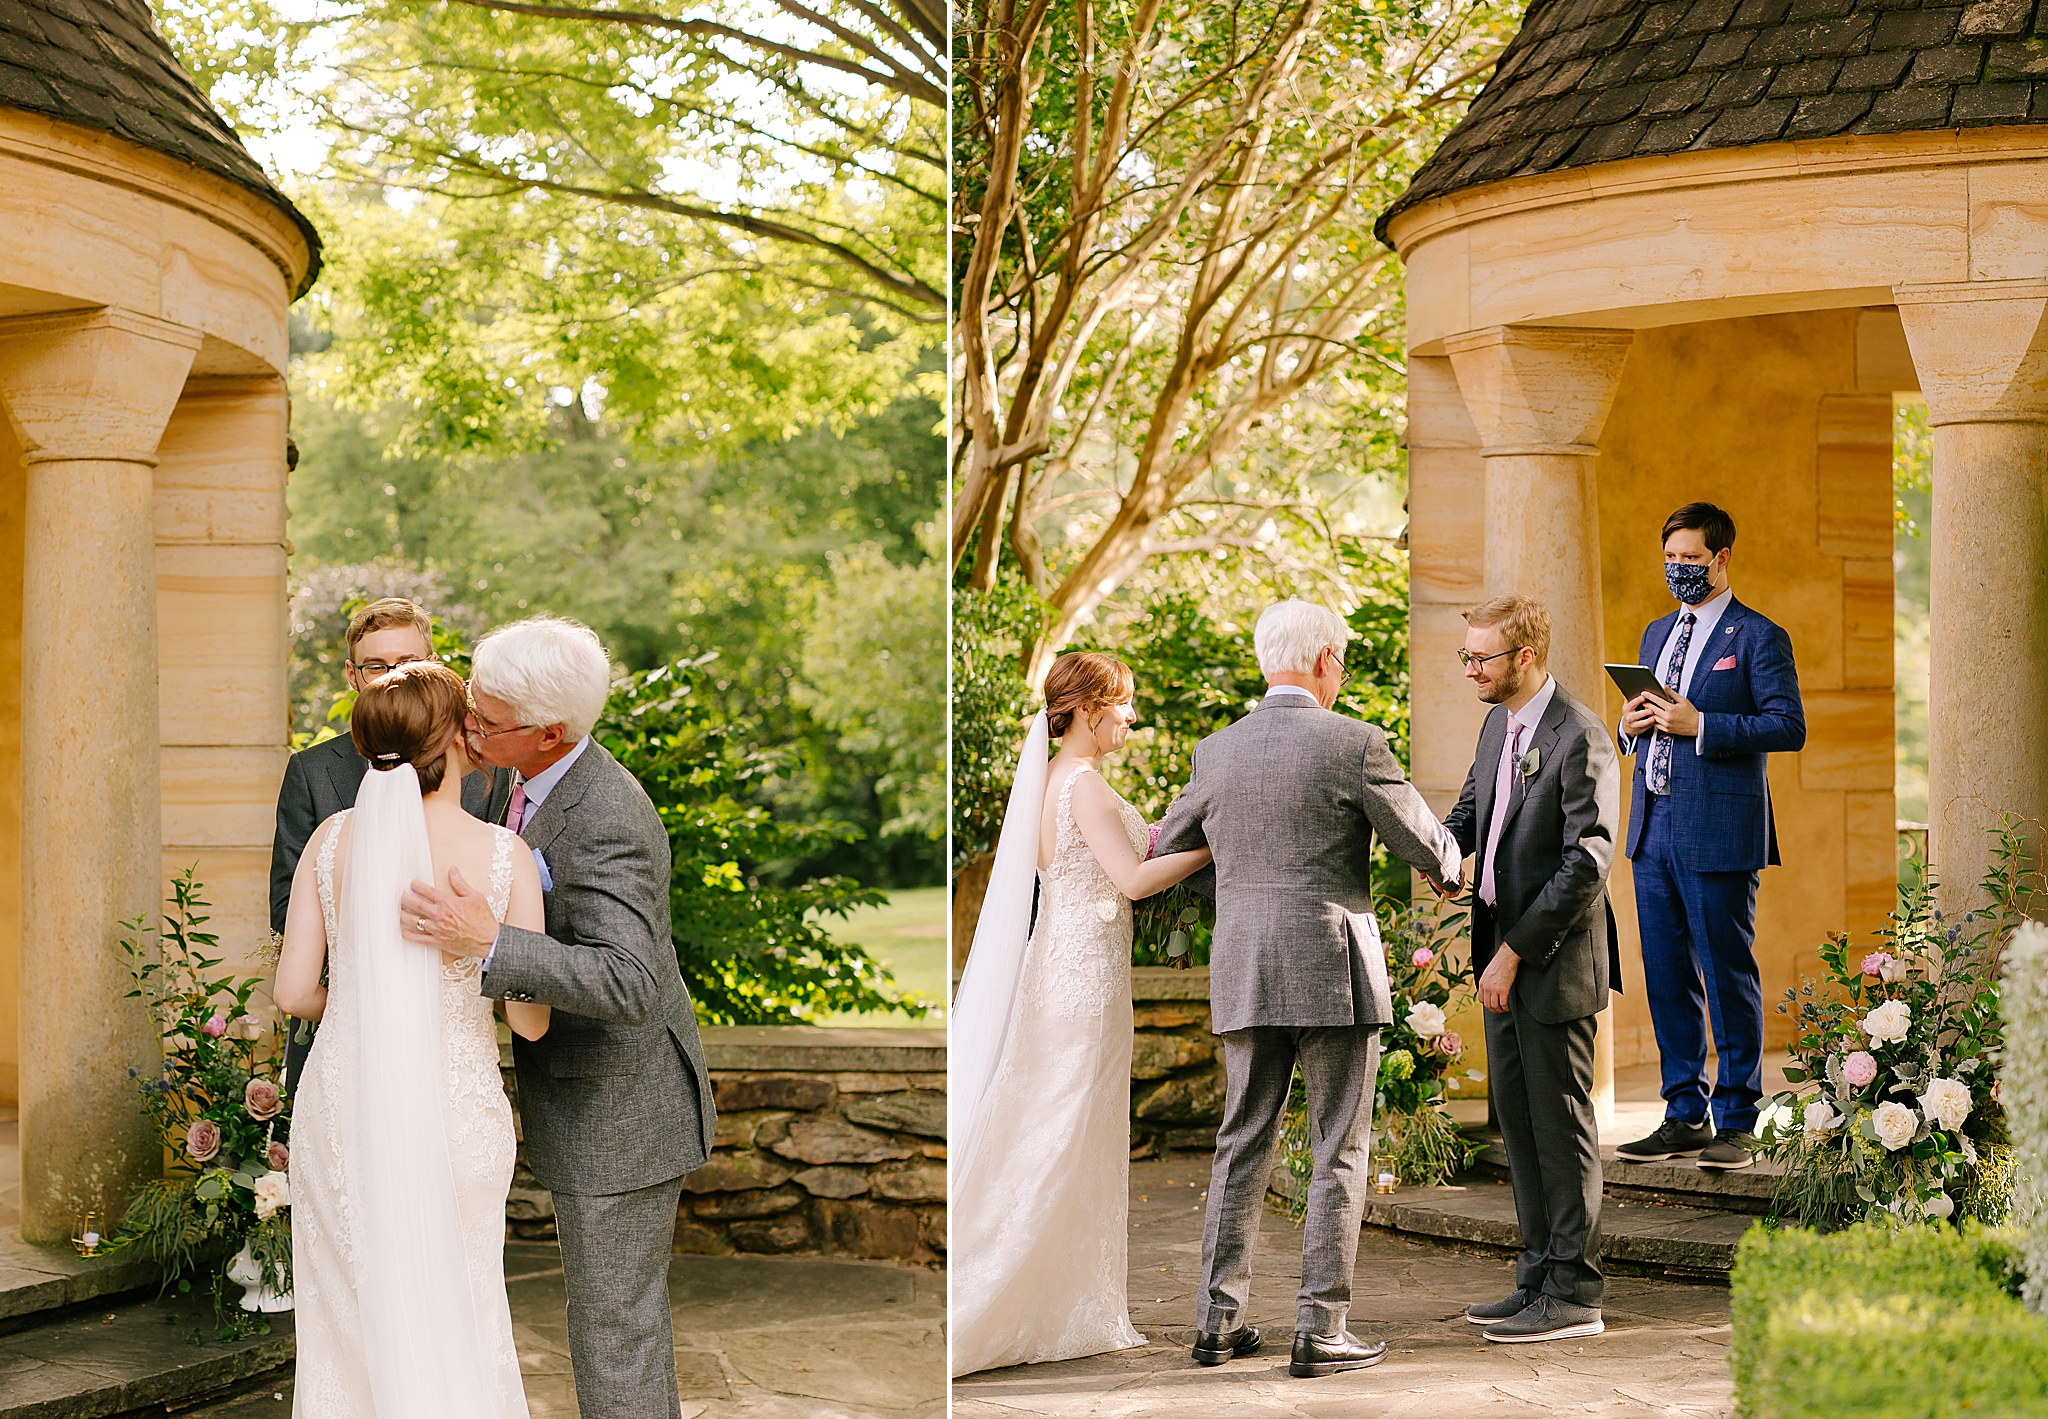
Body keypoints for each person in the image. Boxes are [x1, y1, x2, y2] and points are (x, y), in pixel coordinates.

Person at [399, 615, 714, 1419]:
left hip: (623, 1110)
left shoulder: (609, 815)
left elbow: (631, 978)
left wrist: (490, 940)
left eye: (485, 718)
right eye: (470, 702)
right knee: (614, 1327)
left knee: (615, 1334)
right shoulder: (521, 772)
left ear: (551, 731)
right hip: (581, 1096)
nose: (469, 725)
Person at [1152, 600, 1462, 1379]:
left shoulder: (1213, 752)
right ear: (1325, 660)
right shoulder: (1355, 742)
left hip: (1246, 964)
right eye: (1345, 659)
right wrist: (1451, 862)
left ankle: (1217, 1323)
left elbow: (1168, 842)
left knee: (1239, 1144)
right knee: (1339, 1149)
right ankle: (1320, 1327)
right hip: (1334, 968)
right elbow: (1424, 843)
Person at [276, 661, 549, 1416]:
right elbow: (529, 1018)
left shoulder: (330, 843)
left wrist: (367, 1003)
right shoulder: (502, 856)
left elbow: (294, 991)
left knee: (349, 1322)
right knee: (462, 1306)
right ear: (461, 739)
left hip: (343, 1109)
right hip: (456, 1116)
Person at [950, 652, 1214, 1376]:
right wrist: (1208, 847)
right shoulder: (1085, 785)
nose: (1132, 717)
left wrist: (1169, 835)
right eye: (1123, 703)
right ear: (1090, 707)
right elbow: (1131, 879)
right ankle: (988, 1300)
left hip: (1058, 967)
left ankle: (1059, 1301)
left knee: (1053, 1129)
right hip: (1085, 978)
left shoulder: (1050, 783)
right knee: (1060, 1133)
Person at [1442, 594, 1621, 1344]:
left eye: (1481, 657)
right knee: (1517, 1125)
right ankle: (1538, 1275)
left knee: (1561, 1125)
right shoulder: (1496, 724)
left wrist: (1513, 951)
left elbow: (1589, 862)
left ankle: (1576, 1292)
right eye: (1466, 656)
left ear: (1525, 657)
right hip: (1500, 958)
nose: (1471, 669)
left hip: (1548, 961)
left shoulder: (1580, 735)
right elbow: (1472, 806)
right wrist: (1447, 852)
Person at [1616, 503, 1805, 1172]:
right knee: (1667, 975)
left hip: (1721, 829)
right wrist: (1629, 724)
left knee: (1726, 974)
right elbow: (1639, 724)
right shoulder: (1655, 632)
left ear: (1722, 559)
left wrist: (1702, 723)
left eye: (1692, 560)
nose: (1680, 570)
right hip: (1652, 826)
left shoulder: (1758, 636)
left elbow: (1788, 726)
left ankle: (1738, 1119)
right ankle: (1681, 1112)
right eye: (1671, 559)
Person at [269, 598, 512, 1087]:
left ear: (434, 666)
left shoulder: (487, 772)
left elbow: (498, 899)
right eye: (376, 665)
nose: (390, 676)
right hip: (350, 1039)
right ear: (352, 675)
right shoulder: (312, 771)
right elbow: (284, 905)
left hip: (450, 1040)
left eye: (407, 664)